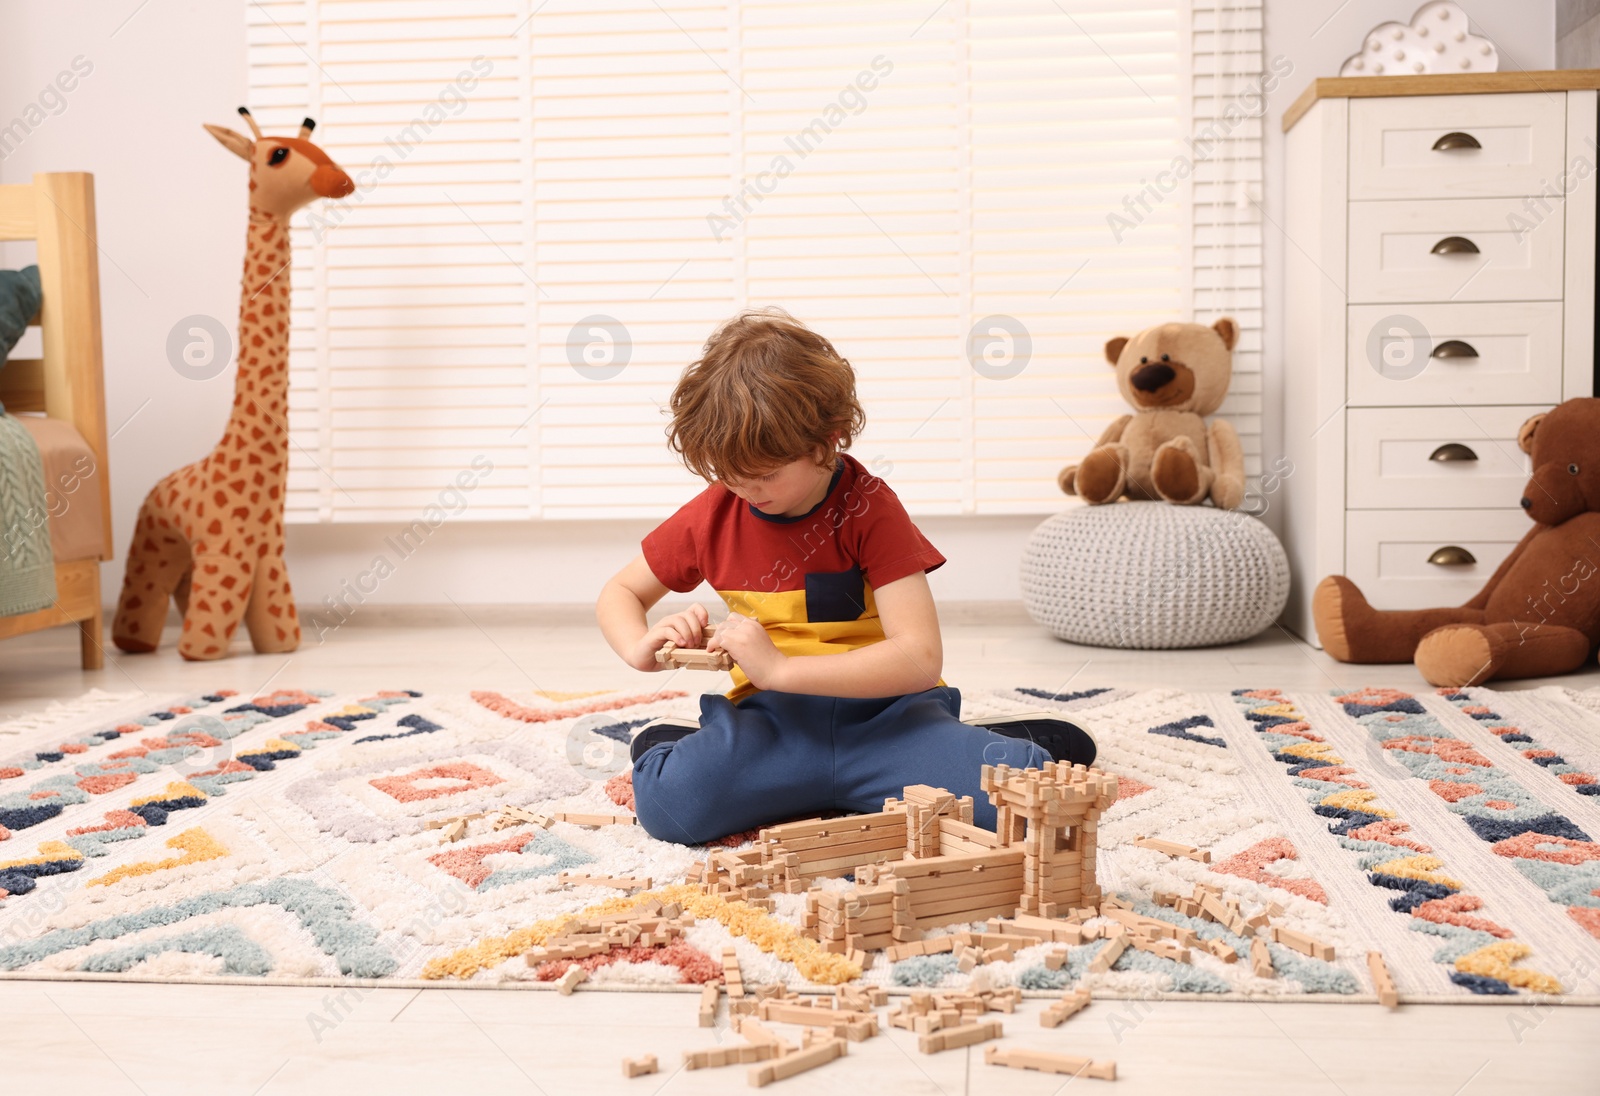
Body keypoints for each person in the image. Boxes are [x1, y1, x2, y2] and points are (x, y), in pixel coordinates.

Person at [596, 308, 1095, 845]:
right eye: (729, 475)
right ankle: (717, 752)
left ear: (827, 441)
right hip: (774, 722)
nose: (745, 490)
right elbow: (621, 591)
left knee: (1027, 806)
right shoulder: (715, 512)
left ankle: (979, 738)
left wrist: (782, 668)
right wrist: (639, 646)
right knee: (671, 811)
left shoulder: (871, 508)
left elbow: (918, 657)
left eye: (765, 474)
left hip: (887, 718)